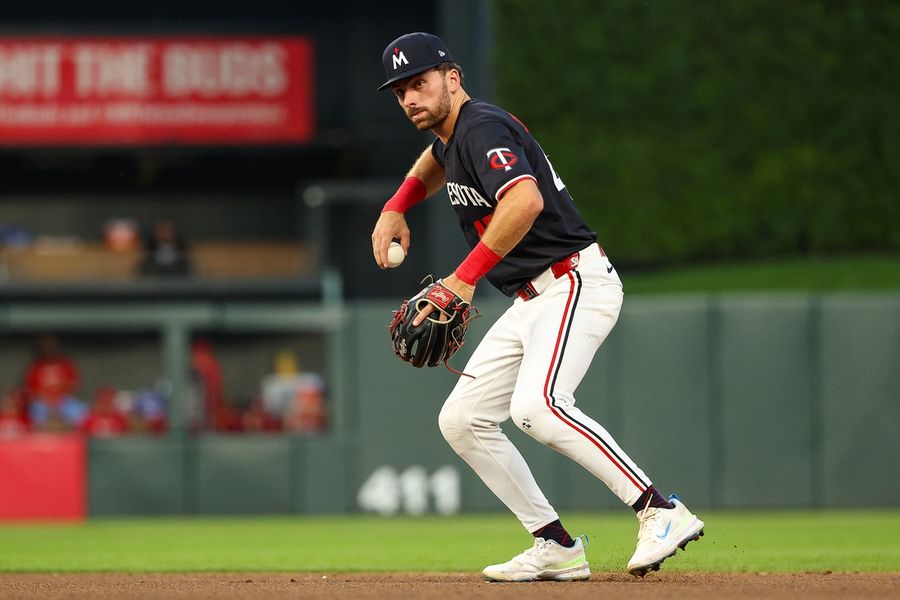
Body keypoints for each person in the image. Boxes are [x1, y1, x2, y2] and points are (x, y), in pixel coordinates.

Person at [371, 32, 704, 582]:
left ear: (452, 78)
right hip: (531, 298)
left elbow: (523, 201)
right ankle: (555, 544)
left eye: (421, 82)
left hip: (574, 282)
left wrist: (460, 280)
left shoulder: (481, 127)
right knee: (461, 419)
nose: (411, 98)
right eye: (401, 90)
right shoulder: (454, 137)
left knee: (539, 406)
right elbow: (434, 160)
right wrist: (396, 205)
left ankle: (660, 511)